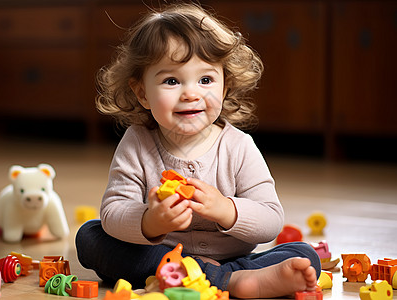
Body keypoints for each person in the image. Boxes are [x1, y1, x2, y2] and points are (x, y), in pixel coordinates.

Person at [76, 3, 321, 298]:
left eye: (205, 80)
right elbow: (114, 210)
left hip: (233, 257)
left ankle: (221, 275)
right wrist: (150, 222)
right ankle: (230, 282)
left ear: (224, 86)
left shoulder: (238, 146)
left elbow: (270, 220)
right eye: (171, 81)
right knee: (90, 237)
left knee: (304, 255)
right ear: (142, 92)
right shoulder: (137, 142)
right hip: (162, 257)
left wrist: (225, 209)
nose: (191, 93)